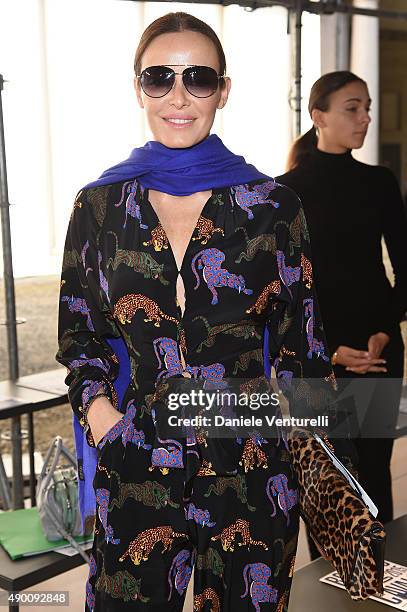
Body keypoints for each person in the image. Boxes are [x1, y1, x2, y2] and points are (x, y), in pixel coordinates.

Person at [57, 14, 344, 610]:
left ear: (224, 90)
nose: (179, 97)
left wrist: (306, 456)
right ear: (138, 88)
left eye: (199, 79)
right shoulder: (101, 207)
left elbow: (304, 347)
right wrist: (103, 416)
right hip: (137, 463)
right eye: (159, 78)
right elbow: (80, 333)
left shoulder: (272, 206)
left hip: (252, 473)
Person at [276, 71, 407, 559]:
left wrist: (382, 332)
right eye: (353, 107)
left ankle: (384, 581)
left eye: (367, 107)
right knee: (329, 486)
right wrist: (325, 352)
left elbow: (404, 268)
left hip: (378, 353)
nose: (365, 117)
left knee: (374, 472)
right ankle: (333, 589)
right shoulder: (283, 192)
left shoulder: (379, 182)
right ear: (319, 116)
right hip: (316, 361)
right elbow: (282, 291)